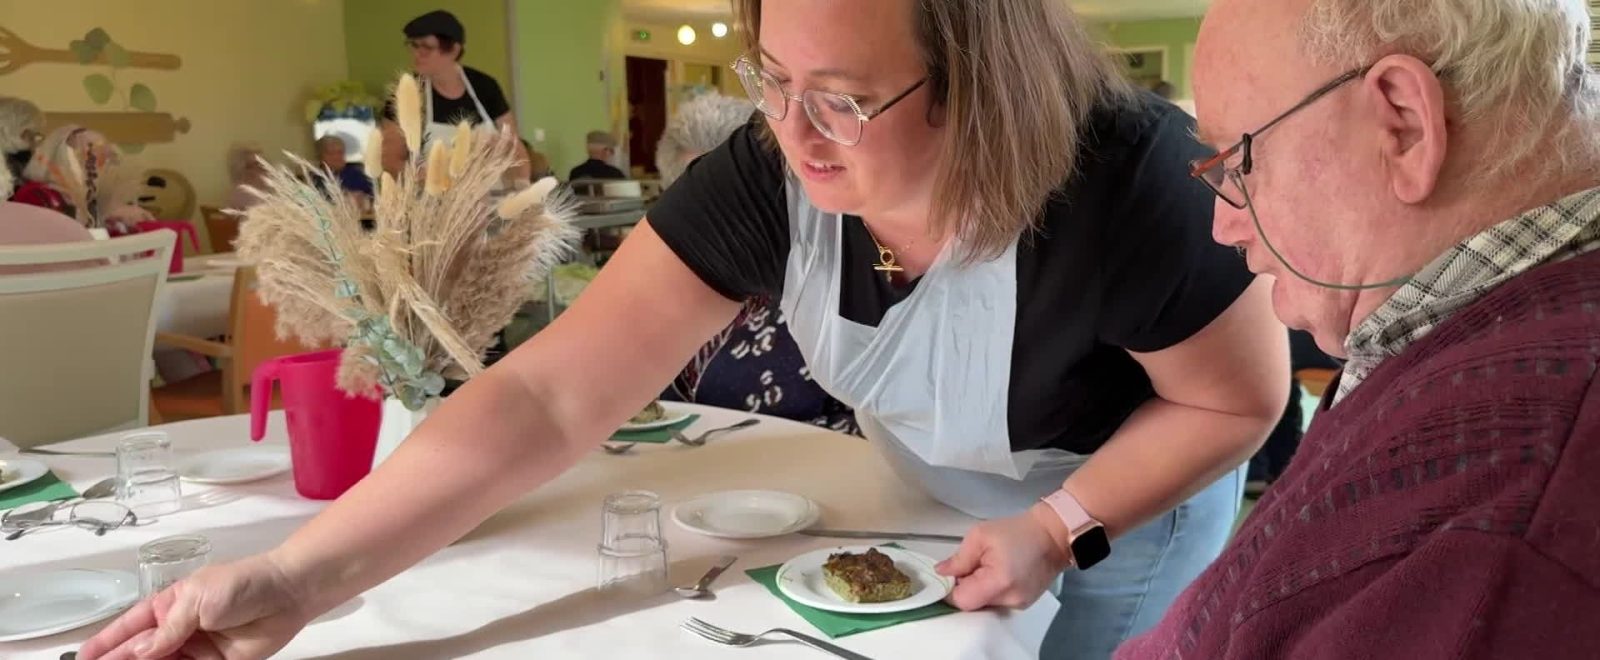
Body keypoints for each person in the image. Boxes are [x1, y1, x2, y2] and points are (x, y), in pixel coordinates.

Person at [78, 2, 1290, 659]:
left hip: (1121, 501)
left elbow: (1235, 402)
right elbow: (548, 395)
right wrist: (299, 578)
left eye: (843, 98)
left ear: (983, 84)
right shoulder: (771, 176)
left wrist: (1060, 527)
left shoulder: (1132, 184)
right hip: (934, 496)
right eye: (774, 80)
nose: (793, 133)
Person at [1119, 0, 1600, 657]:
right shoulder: (1447, 334)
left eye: (1239, 161)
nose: (1224, 225)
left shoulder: (1507, 534)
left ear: (1404, 124)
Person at [654, 93, 859, 435]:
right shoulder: (661, 282)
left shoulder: (828, 280)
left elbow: (874, 427)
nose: (713, 216)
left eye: (735, 194)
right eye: (690, 196)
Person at [380, 10, 529, 182]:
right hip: (431, 195)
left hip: (490, 193)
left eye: (426, 47)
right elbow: (390, 159)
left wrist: (522, 186)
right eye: (414, 45)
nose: (417, 53)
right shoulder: (407, 93)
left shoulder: (485, 86)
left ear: (453, 50)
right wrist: (430, 177)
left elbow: (514, 148)